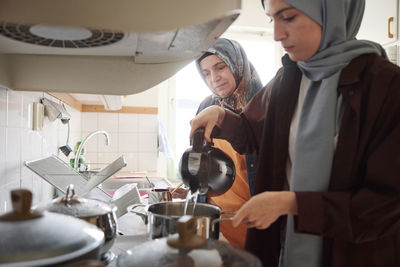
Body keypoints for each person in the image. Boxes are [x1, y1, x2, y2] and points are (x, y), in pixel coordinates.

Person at [189, 0, 400, 266]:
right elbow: (254, 135)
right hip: (287, 250)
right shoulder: (288, 79)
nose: (277, 34)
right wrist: (221, 116)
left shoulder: (386, 88)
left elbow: (387, 206)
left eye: (288, 17)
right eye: (272, 20)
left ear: (331, 12)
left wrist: (293, 204)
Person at [174, 38, 264, 248]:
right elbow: (202, 163)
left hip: (251, 227)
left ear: (237, 64)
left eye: (220, 67)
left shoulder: (264, 107)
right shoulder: (207, 105)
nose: (214, 78)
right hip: (213, 226)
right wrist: (191, 188)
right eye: (206, 73)